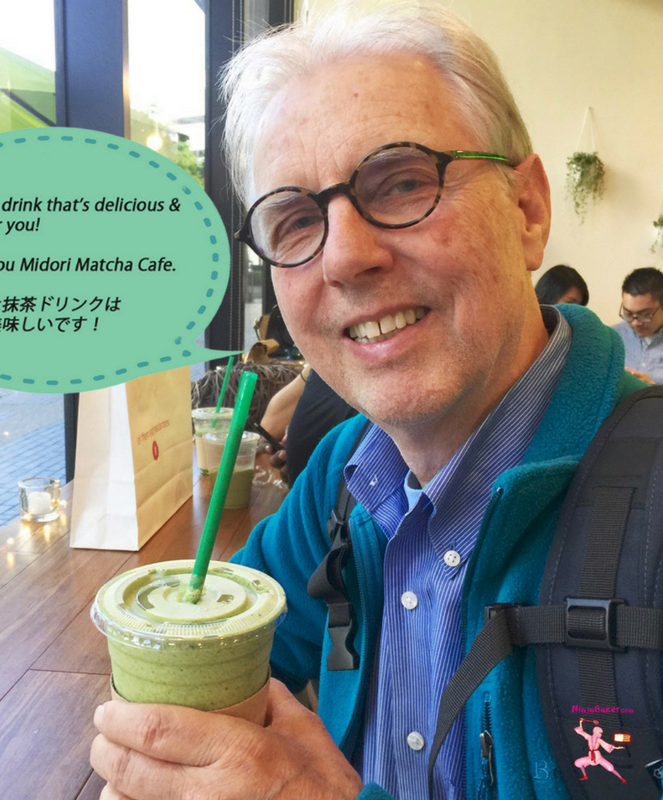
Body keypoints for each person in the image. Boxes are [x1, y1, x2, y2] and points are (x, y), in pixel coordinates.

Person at [90, 4, 643, 799]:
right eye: (293, 221)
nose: (345, 258)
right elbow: (229, 663)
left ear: (527, 209)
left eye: (404, 181)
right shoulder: (344, 477)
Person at [613, 267, 663, 384]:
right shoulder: (613, 337)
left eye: (645, 315)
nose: (635, 323)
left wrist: (654, 390)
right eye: (628, 314)